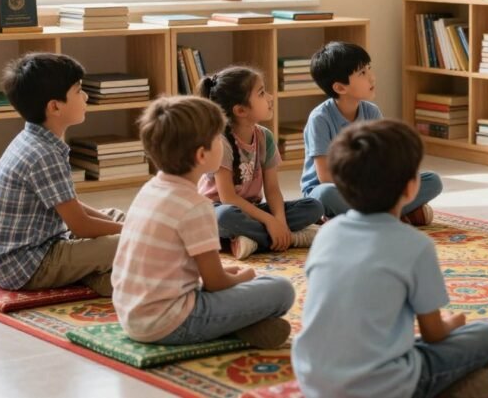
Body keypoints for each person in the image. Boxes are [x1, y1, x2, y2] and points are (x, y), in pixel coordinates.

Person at [293, 119, 488, 398]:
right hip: (380, 385)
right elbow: (434, 334)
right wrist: (456, 321)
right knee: (486, 336)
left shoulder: (326, 234)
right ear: (411, 188)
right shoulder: (415, 245)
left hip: (312, 377)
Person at [113, 96, 295, 348]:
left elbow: (184, 269)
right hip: (172, 322)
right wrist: (246, 277)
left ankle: (250, 327)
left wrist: (220, 277)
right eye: (218, 138)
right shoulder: (196, 206)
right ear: (201, 155)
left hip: (131, 315)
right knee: (281, 289)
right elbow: (217, 283)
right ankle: (236, 324)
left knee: (243, 285)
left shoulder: (151, 188)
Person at [0, 53, 124, 295]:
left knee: (117, 216)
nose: (86, 96)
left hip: (42, 245)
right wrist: (135, 231)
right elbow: (80, 225)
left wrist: (124, 225)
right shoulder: (43, 154)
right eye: (79, 91)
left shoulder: (37, 140)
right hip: (28, 265)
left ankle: (99, 275)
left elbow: (72, 207)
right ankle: (110, 278)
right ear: (55, 106)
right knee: (128, 241)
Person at [299, 41, 442, 225]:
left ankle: (358, 218)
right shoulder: (320, 119)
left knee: (431, 181)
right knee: (326, 195)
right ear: (340, 88)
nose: (372, 77)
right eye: (362, 73)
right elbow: (325, 176)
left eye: (369, 68)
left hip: (369, 190)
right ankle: (392, 214)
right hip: (332, 189)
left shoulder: (372, 112)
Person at [197, 66, 323, 260]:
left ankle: (253, 239)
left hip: (252, 210)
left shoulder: (265, 137)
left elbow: (272, 189)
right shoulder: (221, 142)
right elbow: (228, 198)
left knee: (314, 206)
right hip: (217, 210)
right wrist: (270, 222)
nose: (270, 97)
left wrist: (278, 220)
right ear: (240, 110)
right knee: (225, 217)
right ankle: (291, 238)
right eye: (262, 93)